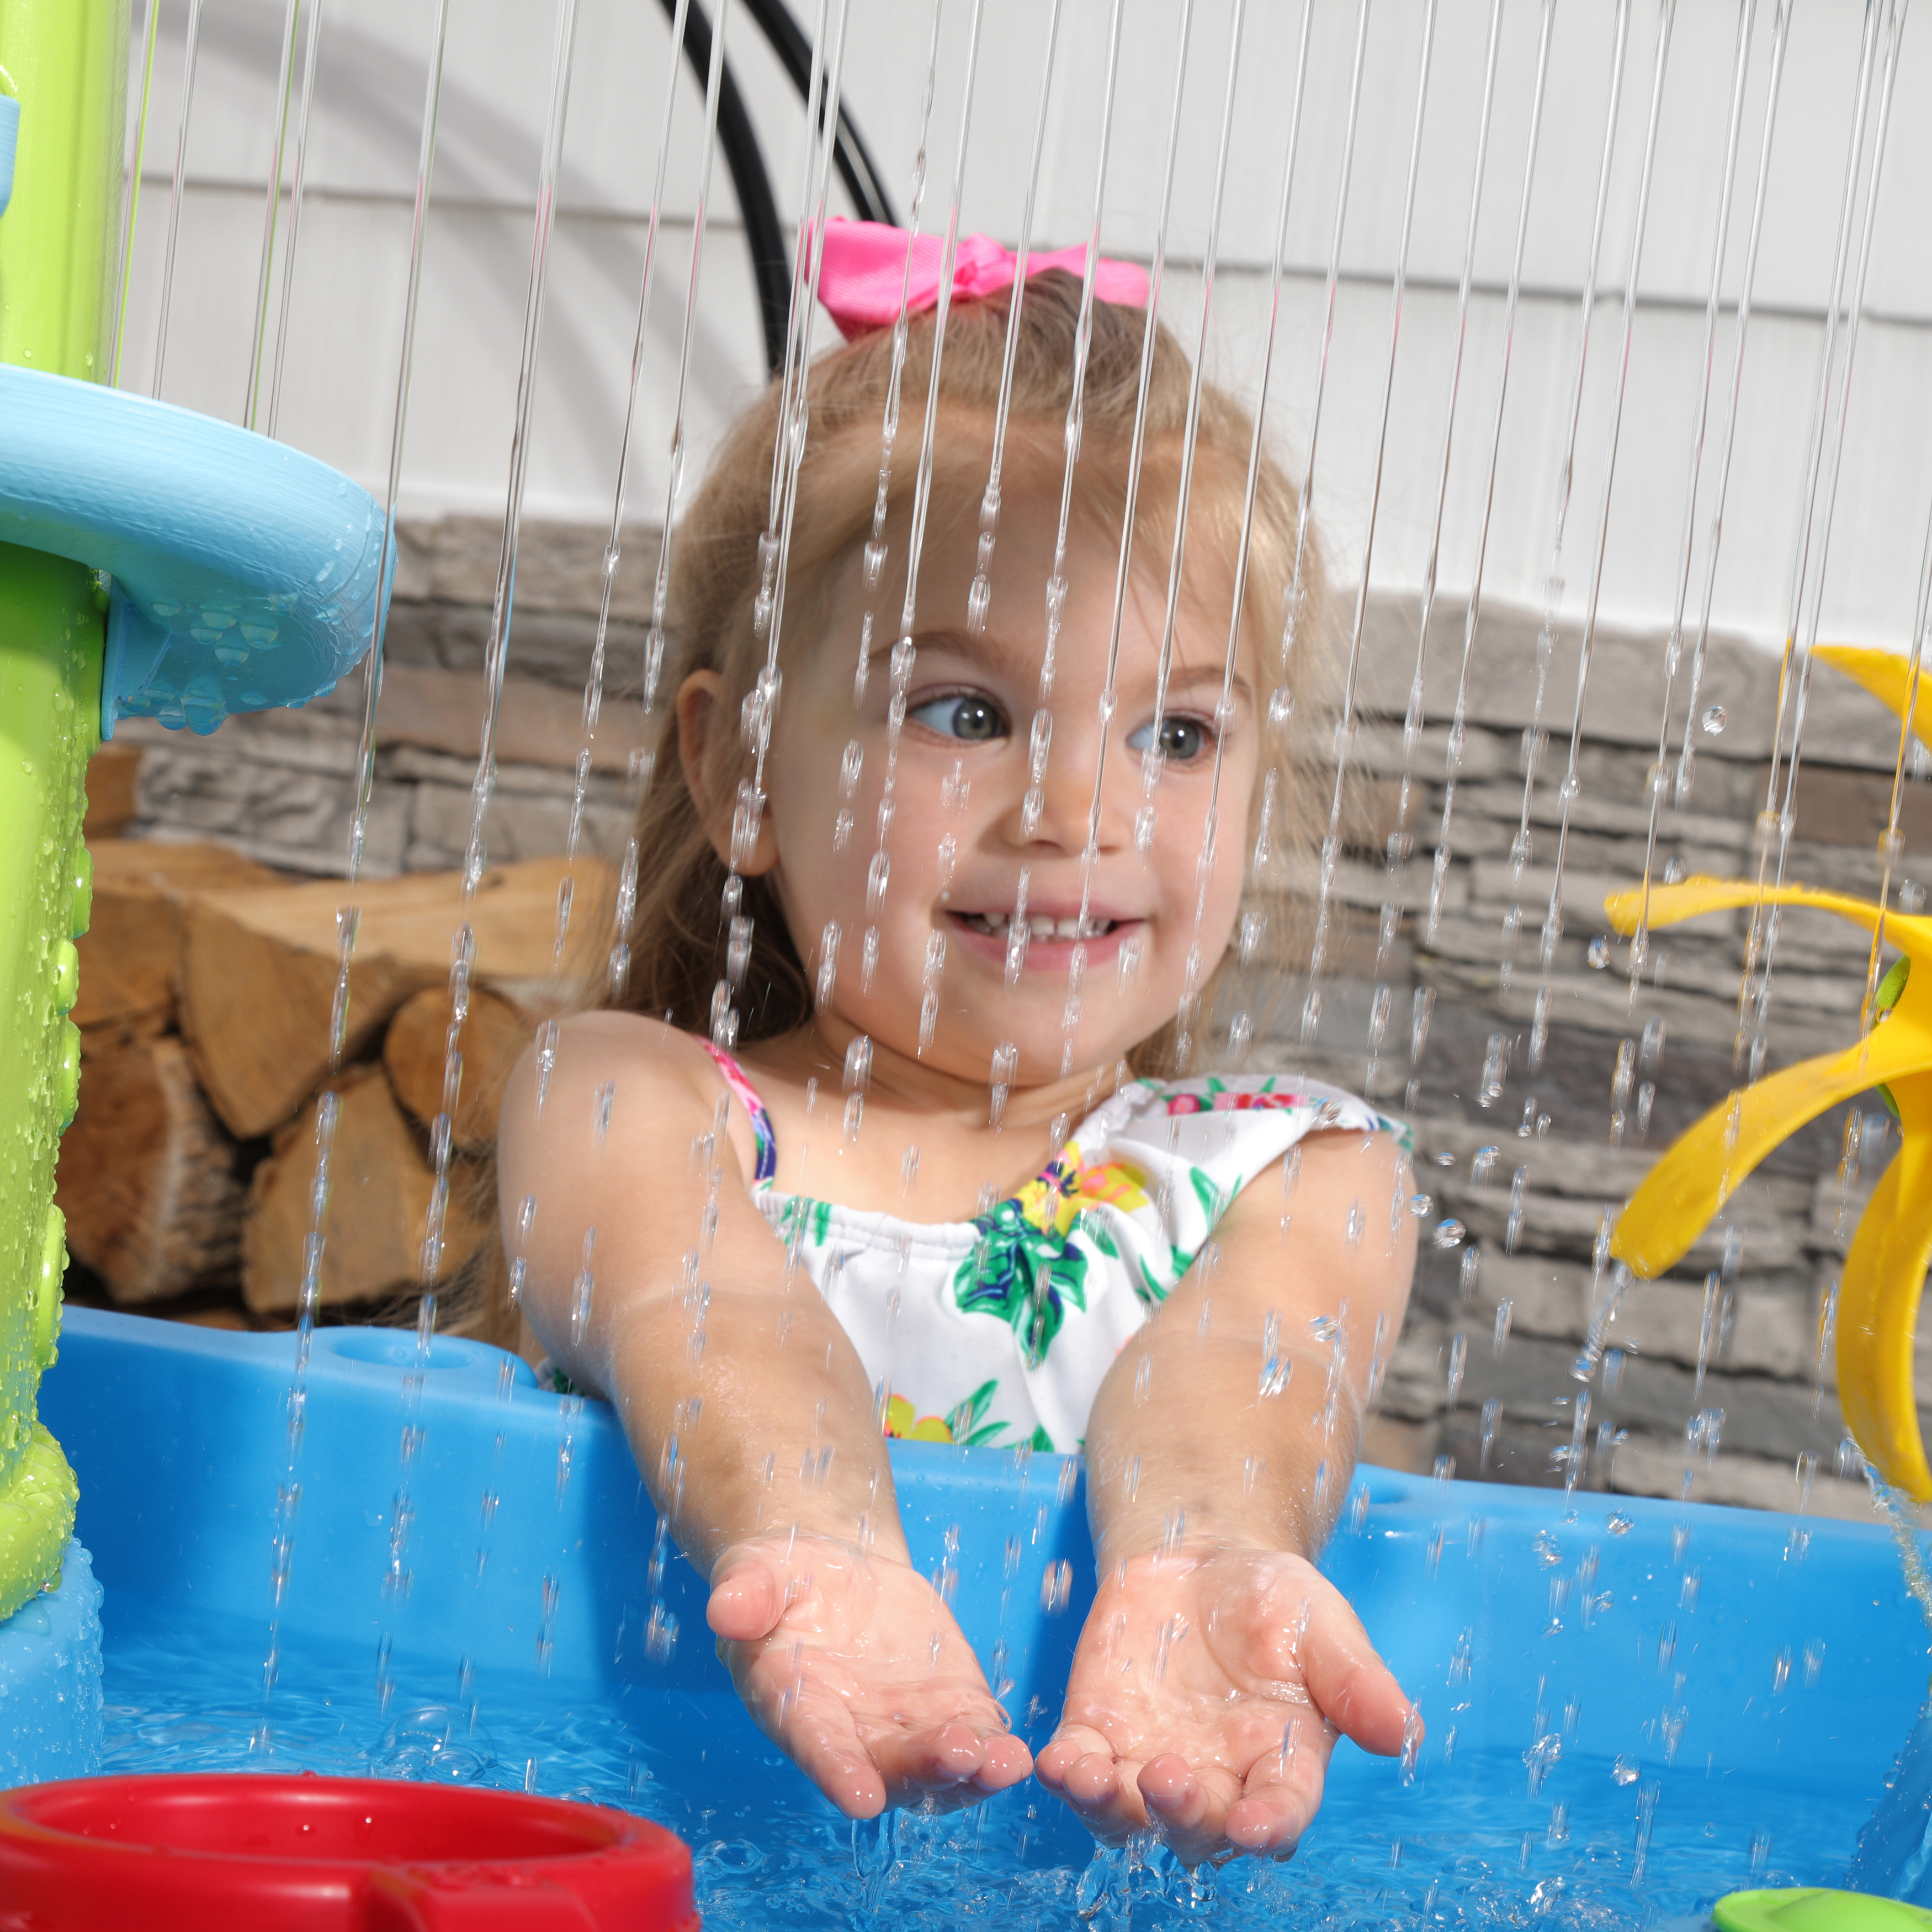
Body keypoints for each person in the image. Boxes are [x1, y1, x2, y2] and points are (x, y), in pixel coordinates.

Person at [496, 219, 1420, 1869]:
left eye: (1177, 731)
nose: (1077, 810)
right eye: (965, 712)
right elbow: (700, 1299)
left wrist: (1211, 1551)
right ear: (747, 771)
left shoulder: (1297, 1173)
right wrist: (816, 1542)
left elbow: (1228, 1386)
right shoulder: (629, 1098)